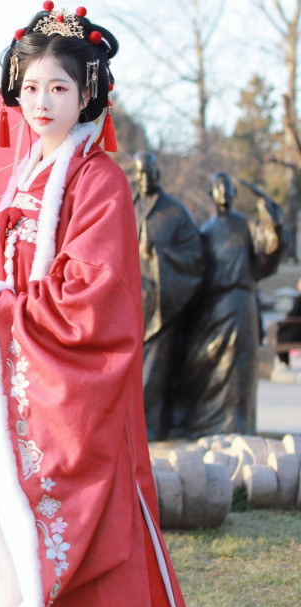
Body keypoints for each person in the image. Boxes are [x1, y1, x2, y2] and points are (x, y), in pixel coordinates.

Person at [0, 4, 226, 607]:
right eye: (30, 88)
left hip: (68, 416)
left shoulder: (99, 181)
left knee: (80, 570)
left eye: (58, 88)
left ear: (87, 93)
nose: (41, 102)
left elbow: (92, 301)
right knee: (3, 561)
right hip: (10, 418)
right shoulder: (22, 179)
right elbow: (12, 279)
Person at [175, 172, 285, 437]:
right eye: (218, 187)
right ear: (211, 194)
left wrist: (269, 217)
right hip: (212, 308)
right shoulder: (205, 231)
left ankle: (237, 428)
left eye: (227, 187)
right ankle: (203, 425)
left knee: (239, 370)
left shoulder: (248, 226)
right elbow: (195, 271)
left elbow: (270, 248)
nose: (223, 192)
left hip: (240, 304)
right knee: (202, 363)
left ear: (234, 193)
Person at [133, 151, 204, 441]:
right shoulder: (126, 203)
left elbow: (195, 256)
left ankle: (149, 430)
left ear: (158, 174)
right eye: (139, 172)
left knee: (154, 373)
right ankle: (129, 430)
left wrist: (158, 254)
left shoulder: (176, 212)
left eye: (149, 172)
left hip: (161, 304)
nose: (144, 178)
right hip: (128, 302)